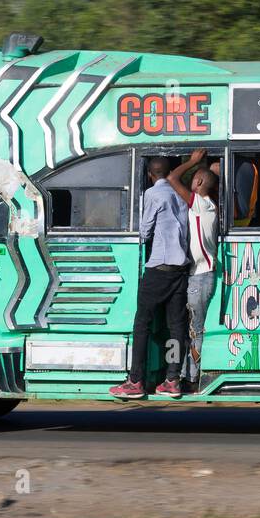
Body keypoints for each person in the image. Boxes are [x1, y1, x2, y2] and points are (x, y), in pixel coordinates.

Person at [110, 157, 191, 400]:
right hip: (180, 270)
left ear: (149, 175)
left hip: (158, 269)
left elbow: (145, 231)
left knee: (142, 324)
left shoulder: (154, 195)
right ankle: (172, 379)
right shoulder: (181, 195)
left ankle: (135, 380)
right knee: (176, 327)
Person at [165, 149, 220, 389]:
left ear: (198, 182)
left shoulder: (200, 204)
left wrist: (192, 161)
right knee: (192, 329)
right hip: (200, 277)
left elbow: (171, 179)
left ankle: (190, 378)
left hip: (199, 279)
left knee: (195, 331)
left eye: (194, 177)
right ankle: (187, 374)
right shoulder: (208, 206)